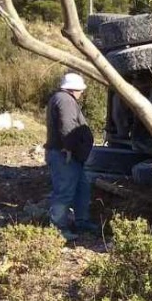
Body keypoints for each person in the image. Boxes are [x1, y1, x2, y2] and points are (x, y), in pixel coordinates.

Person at [45, 72, 96, 239]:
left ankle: (82, 222)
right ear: (74, 89)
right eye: (81, 90)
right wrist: (68, 148)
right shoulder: (65, 100)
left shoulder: (61, 98)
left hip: (70, 155)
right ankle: (58, 229)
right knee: (64, 192)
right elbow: (67, 125)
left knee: (82, 188)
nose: (82, 93)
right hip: (65, 155)